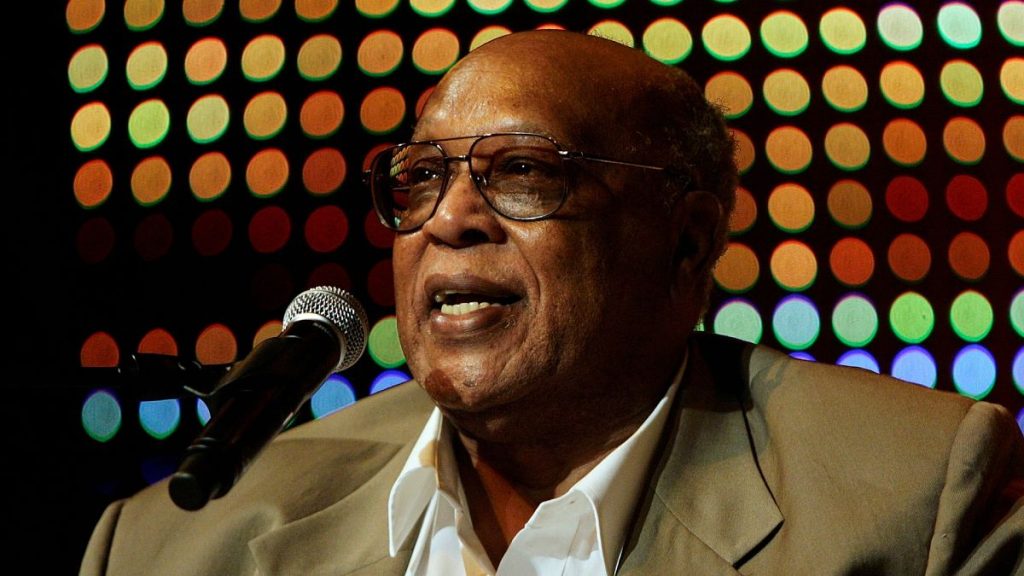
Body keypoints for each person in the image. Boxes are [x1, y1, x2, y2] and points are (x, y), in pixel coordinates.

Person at [80, 29, 1024, 576]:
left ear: (687, 240)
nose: (447, 221)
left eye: (522, 173)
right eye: (418, 180)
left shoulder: (919, 499)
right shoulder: (167, 546)